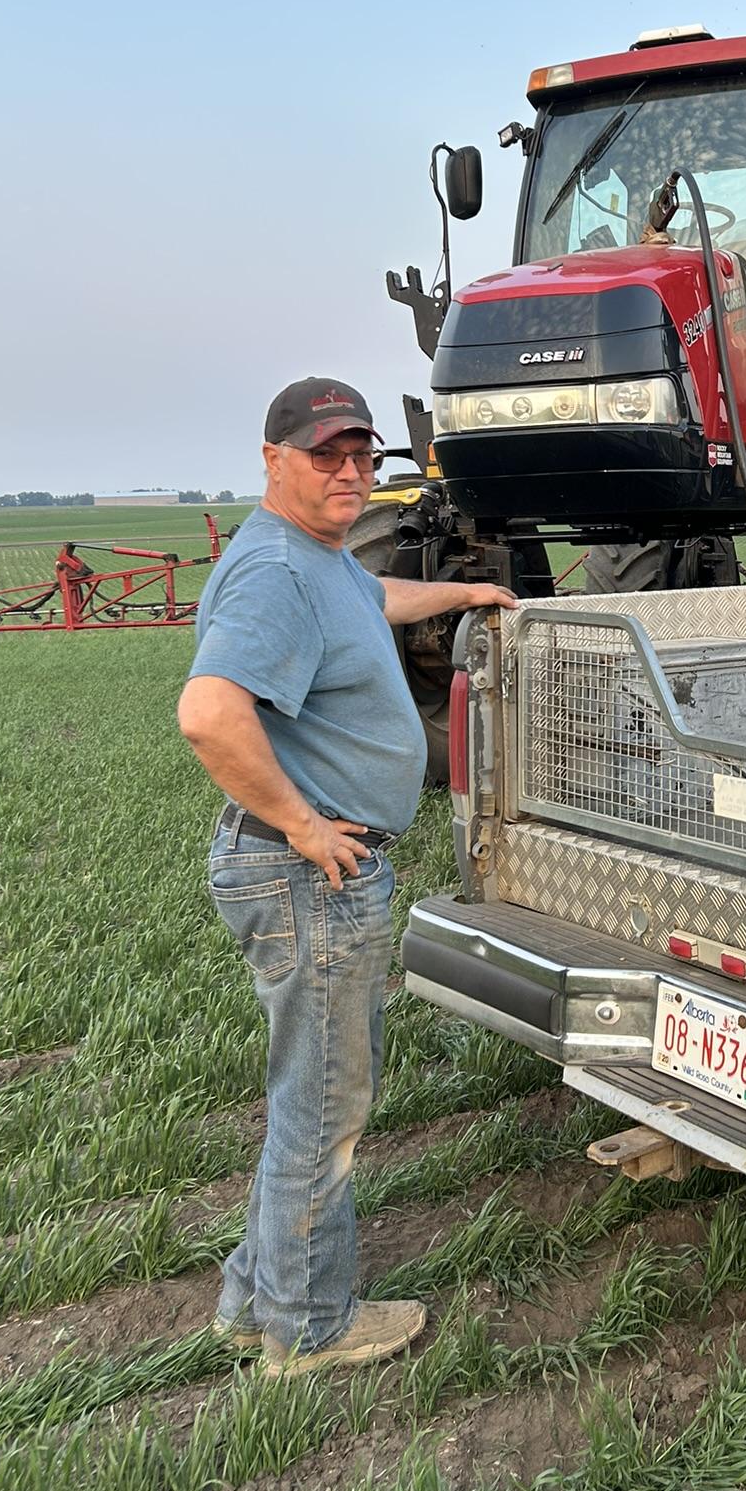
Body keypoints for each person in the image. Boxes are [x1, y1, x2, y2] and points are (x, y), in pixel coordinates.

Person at [177, 377, 518, 1378]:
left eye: (362, 456)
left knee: (304, 1094)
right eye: (326, 453)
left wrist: (464, 592)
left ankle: (255, 1298)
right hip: (305, 874)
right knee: (325, 1108)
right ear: (274, 457)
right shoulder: (277, 571)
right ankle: (308, 1326)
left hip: (302, 867)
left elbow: (375, 596)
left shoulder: (319, 559)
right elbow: (208, 713)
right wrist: (305, 825)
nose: (350, 472)